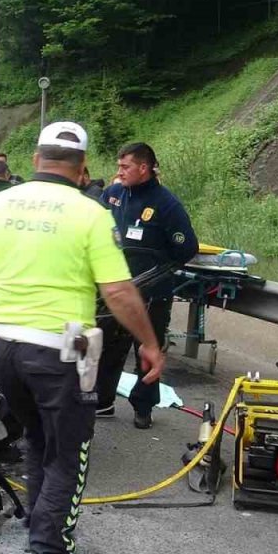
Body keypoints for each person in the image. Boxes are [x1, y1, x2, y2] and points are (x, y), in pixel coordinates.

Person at [0, 121, 163, 554]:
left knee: (37, 439)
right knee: (68, 452)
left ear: (36, 159)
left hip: (4, 346)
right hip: (66, 347)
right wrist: (150, 343)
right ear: (82, 167)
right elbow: (118, 291)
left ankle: (39, 528)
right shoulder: (91, 213)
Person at [94, 143, 198, 429]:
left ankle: (143, 407)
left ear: (143, 168)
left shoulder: (166, 203)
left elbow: (186, 247)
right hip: (115, 290)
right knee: (107, 348)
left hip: (152, 292)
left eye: (125, 166)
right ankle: (102, 402)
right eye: (119, 166)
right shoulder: (113, 195)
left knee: (147, 350)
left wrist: (160, 270)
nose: (119, 172)